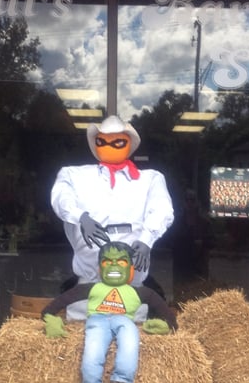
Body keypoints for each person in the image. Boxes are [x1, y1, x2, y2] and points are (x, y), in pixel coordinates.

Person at [41, 241, 177, 383]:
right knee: (93, 348)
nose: (114, 265)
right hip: (98, 320)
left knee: (130, 342)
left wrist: (169, 325)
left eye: (121, 261)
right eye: (107, 261)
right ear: (100, 268)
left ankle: (121, 381)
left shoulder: (140, 292)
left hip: (124, 321)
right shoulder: (92, 288)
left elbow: (162, 307)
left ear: (131, 269)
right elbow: (61, 301)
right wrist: (50, 318)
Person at [50, 115, 174, 289]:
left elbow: (162, 209)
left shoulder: (151, 179)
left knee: (135, 305)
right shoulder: (73, 175)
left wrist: (147, 239)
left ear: (129, 143)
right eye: (102, 141)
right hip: (88, 284)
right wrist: (81, 217)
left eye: (118, 142)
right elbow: (61, 198)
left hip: (132, 283)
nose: (109, 146)